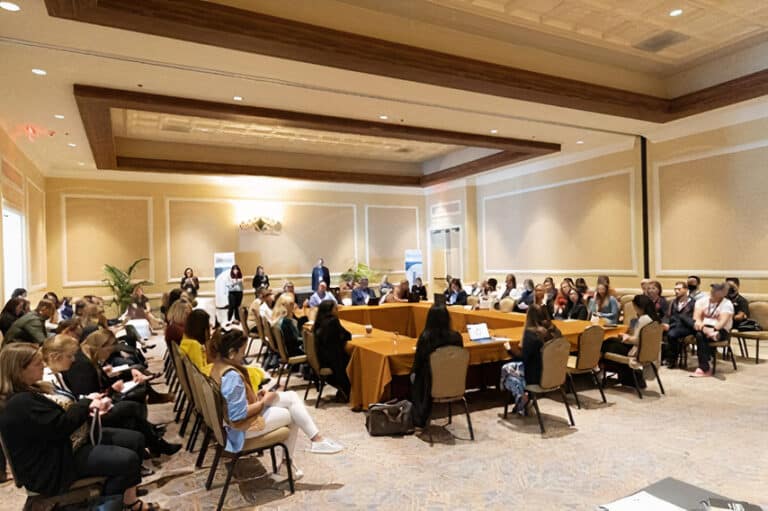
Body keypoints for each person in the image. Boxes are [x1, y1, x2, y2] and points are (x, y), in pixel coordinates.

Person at [0, 343, 161, 510]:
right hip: (53, 464)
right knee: (128, 459)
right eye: (37, 363)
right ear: (19, 370)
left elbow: (56, 422)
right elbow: (60, 426)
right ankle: (108, 504)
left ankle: (128, 500)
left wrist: (87, 405)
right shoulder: (19, 402)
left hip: (62, 446)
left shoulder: (28, 392)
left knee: (134, 440)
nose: (43, 365)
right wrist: (86, 403)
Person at [211, 329, 342, 480]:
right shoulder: (231, 376)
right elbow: (238, 414)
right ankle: (296, 457)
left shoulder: (218, 366)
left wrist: (258, 396)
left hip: (230, 426)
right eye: (242, 352)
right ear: (232, 352)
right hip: (239, 431)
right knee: (292, 414)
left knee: (292, 397)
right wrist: (262, 402)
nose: (243, 356)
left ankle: (315, 441)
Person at [44, 334, 180, 458]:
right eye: (70, 356)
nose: (73, 359)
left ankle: (153, 442)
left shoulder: (71, 367)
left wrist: (109, 389)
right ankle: (154, 442)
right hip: (87, 420)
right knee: (131, 407)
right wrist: (110, 393)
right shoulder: (80, 365)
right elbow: (85, 396)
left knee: (132, 412)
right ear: (55, 357)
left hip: (87, 412)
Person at [500, 304, 562, 415]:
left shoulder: (531, 334)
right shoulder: (554, 331)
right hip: (553, 374)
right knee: (509, 369)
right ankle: (524, 397)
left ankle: (522, 397)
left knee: (506, 371)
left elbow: (524, 359)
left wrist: (509, 350)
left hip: (536, 376)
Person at [181, 309, 265, 390]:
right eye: (208, 324)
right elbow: (200, 372)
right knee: (248, 372)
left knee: (247, 369)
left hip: (208, 377)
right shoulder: (194, 345)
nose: (210, 325)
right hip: (209, 379)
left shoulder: (187, 340)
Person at [410, 305, 464, 427]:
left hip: (431, 384)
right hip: (454, 382)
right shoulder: (457, 337)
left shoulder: (426, 337)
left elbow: (418, 361)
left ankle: (418, 416)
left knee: (416, 375)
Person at [601, 295, 659, 388]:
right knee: (611, 341)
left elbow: (637, 340)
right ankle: (628, 376)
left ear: (637, 306)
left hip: (637, 351)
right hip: (647, 351)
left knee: (606, 344)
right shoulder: (654, 319)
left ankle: (628, 375)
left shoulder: (643, 319)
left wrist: (626, 337)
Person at [691, 283, 734, 378]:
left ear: (723, 293)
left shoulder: (727, 304)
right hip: (702, 327)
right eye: (712, 289)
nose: (712, 291)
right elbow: (696, 317)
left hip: (721, 331)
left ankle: (704, 367)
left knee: (700, 336)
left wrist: (713, 330)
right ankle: (705, 366)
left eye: (716, 290)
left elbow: (721, 323)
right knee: (691, 324)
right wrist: (703, 327)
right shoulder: (702, 301)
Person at [312, 301, 352, 399]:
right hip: (333, 361)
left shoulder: (319, 321)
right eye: (335, 308)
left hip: (322, 359)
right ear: (329, 310)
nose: (337, 310)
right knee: (356, 359)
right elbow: (346, 335)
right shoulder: (332, 321)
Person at [662, 281, 696, 368]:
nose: (676, 291)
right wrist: (665, 323)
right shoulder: (673, 302)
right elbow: (667, 315)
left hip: (686, 327)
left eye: (679, 289)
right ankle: (663, 357)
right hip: (673, 326)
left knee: (672, 334)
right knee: (661, 331)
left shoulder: (693, 303)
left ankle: (672, 360)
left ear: (686, 290)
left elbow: (693, 319)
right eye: (675, 289)